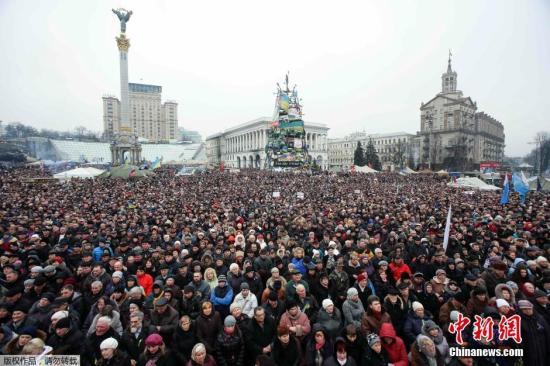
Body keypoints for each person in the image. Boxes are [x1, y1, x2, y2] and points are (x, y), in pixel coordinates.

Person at [518, 300, 550, 366]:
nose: (528, 310)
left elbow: (547, 334)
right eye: (525, 309)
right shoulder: (518, 321)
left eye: (529, 308)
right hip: (528, 351)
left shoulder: (540, 319)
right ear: (521, 310)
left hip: (542, 349)